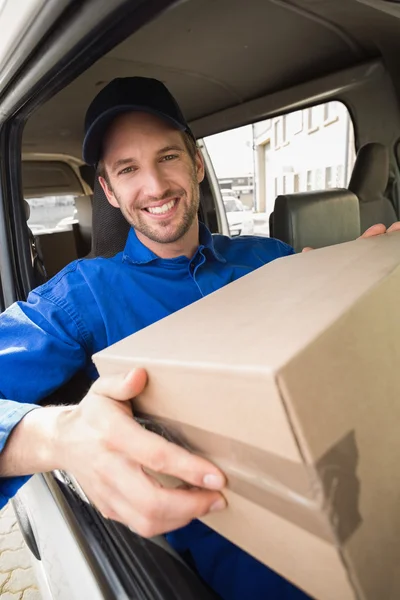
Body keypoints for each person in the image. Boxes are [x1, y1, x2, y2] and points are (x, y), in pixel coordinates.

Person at [0, 77, 398, 600]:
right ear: (109, 191)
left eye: (168, 157)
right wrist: (62, 437)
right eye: (128, 169)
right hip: (245, 550)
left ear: (197, 163)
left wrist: (370, 283)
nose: (156, 186)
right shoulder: (81, 295)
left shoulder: (268, 257)